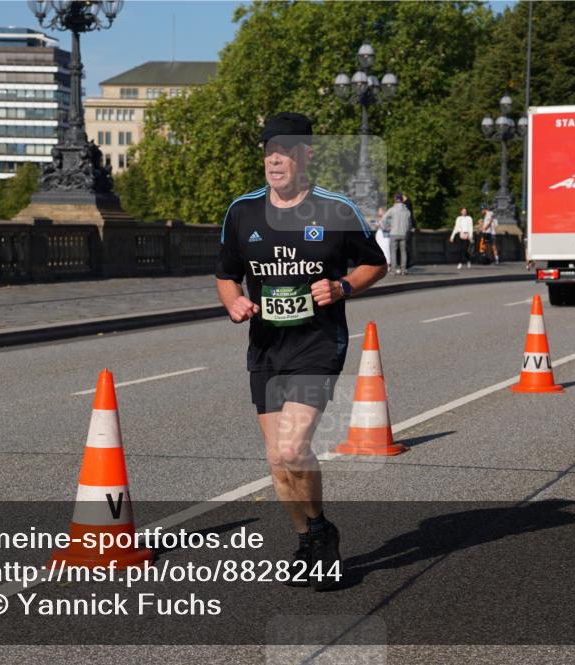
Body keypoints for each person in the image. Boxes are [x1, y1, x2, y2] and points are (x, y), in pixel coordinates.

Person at [215, 112, 388, 591]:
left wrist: (343, 286)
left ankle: (320, 534)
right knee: (277, 459)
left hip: (317, 343)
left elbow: (377, 264)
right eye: (269, 150)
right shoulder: (243, 212)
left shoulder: (335, 209)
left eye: (285, 150)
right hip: (266, 347)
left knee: (293, 447)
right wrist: (235, 302)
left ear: (306, 155)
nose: (275, 159)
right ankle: (309, 540)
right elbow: (226, 273)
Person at [381, 193, 413, 275]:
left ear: (395, 200)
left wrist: (387, 228)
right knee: (403, 252)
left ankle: (393, 270)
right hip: (404, 233)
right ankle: (403, 270)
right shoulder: (407, 211)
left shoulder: (392, 209)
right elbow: (410, 223)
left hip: (394, 233)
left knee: (393, 252)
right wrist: (407, 231)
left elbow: (384, 218)